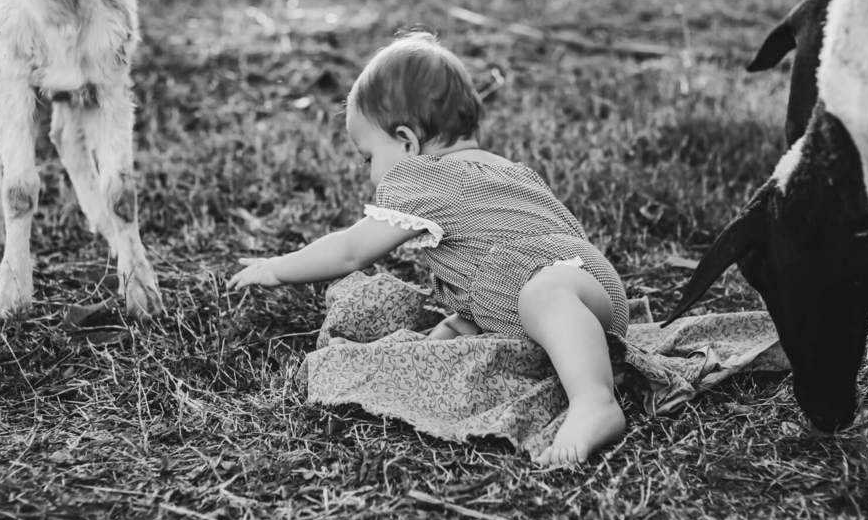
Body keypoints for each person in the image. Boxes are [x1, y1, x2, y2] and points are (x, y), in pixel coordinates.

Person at [227, 32, 630, 465]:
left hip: (563, 283)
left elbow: (350, 250)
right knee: (461, 327)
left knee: (542, 294)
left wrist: (278, 268)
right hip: (581, 286)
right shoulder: (506, 170)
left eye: (368, 158)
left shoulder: (424, 178)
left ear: (406, 143)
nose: (369, 173)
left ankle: (594, 401)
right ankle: (569, 352)